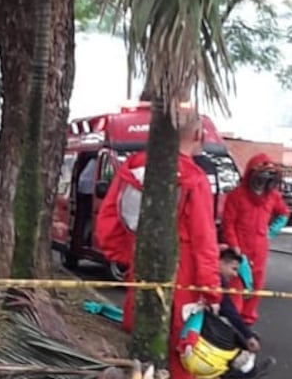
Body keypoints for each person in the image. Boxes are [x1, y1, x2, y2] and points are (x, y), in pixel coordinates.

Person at [93, 106, 221, 379]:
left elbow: (106, 228)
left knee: (141, 359)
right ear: (198, 134)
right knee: (178, 364)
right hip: (182, 283)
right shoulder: (194, 179)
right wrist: (211, 292)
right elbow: (204, 243)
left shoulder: (134, 167)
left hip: (141, 275)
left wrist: (133, 258)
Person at [177, 247, 276, 379]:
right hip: (193, 323)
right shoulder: (213, 278)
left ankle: (246, 371)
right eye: (233, 269)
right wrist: (247, 336)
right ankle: (245, 372)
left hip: (192, 317)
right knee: (231, 335)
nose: (235, 275)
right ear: (221, 262)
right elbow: (228, 309)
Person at [221, 154, 290, 327]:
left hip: (260, 249)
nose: (263, 182)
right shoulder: (236, 196)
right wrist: (234, 246)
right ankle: (234, 323)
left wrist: (271, 231)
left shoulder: (273, 196)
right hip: (240, 250)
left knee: (256, 286)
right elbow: (228, 223)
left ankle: (247, 322)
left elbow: (284, 213)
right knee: (237, 286)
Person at [72, 155, 99, 255]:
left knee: (86, 221)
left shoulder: (92, 163)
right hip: (87, 195)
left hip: (87, 194)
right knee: (85, 220)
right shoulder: (94, 163)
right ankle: (82, 241)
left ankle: (83, 240)